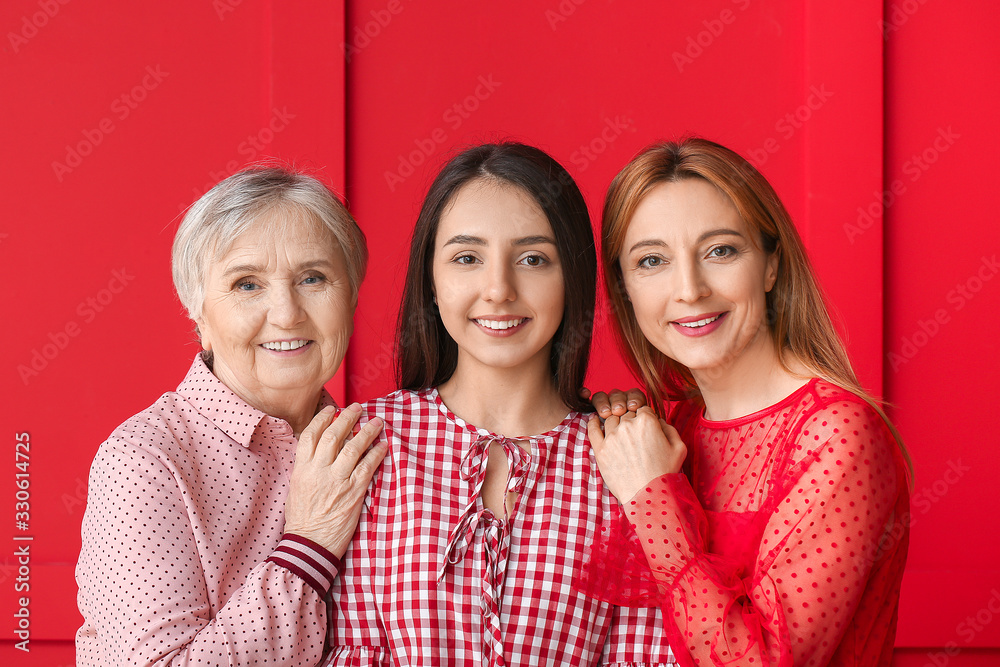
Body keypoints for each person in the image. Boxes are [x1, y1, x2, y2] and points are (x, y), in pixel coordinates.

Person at [327, 143, 675, 665]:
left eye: (533, 259)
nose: (498, 289)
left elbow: (642, 652)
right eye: (467, 258)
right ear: (432, 280)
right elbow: (347, 649)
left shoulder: (625, 457)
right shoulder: (367, 443)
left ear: (572, 277)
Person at [582, 138, 911, 667]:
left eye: (720, 251)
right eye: (652, 261)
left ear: (771, 266)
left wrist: (650, 495)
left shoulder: (837, 434)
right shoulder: (677, 427)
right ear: (625, 290)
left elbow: (758, 661)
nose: (689, 289)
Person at [76, 166, 388, 666]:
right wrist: (307, 546)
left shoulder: (375, 445)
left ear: (350, 296)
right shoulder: (143, 462)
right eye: (247, 284)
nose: (287, 313)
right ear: (198, 313)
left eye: (313, 278)